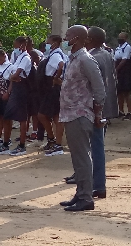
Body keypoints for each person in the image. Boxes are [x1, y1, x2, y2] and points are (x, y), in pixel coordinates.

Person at [57, 25, 105, 212]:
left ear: (76, 38)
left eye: (68, 36)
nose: (65, 39)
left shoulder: (86, 59)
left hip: (80, 114)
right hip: (70, 114)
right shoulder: (73, 59)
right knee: (77, 157)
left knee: (83, 157)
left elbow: (99, 89)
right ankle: (80, 193)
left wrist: (98, 113)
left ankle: (86, 198)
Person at [86, 26, 115, 199]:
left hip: (96, 109)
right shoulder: (106, 54)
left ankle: (97, 185)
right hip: (104, 109)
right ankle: (95, 182)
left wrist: (97, 112)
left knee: (95, 147)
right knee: (96, 146)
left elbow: (97, 88)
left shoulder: (94, 58)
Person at [39, 35, 67, 156]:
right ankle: (52, 140)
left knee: (55, 116)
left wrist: (56, 78)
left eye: (48, 42)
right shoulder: (53, 54)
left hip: (54, 88)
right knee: (44, 115)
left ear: (55, 43)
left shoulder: (56, 55)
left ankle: (57, 144)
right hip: (49, 87)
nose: (47, 45)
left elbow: (61, 66)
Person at [114, 32, 131, 120]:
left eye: (121, 37)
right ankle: (121, 111)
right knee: (119, 92)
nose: (120, 39)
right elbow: (115, 59)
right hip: (118, 71)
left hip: (125, 71)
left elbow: (124, 59)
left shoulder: (127, 47)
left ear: (125, 38)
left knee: (127, 92)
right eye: (119, 37)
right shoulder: (117, 48)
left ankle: (129, 112)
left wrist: (117, 69)